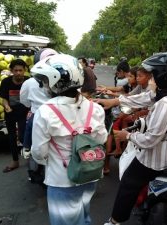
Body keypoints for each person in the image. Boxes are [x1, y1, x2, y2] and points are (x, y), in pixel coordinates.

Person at [103, 52, 167, 225]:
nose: (150, 80)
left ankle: (115, 221)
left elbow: (149, 140)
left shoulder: (166, 104)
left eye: (152, 76)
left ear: (163, 76)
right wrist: (116, 102)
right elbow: (146, 97)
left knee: (129, 181)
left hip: (166, 156)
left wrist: (126, 135)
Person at [31, 54, 108, 225]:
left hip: (62, 179)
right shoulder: (95, 108)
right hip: (90, 173)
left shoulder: (45, 112)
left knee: (65, 221)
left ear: (54, 81)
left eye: (44, 80)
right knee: (84, 214)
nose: (43, 85)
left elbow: (39, 152)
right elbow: (102, 138)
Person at [20, 48, 57, 158]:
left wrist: (32, 107)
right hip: (58, 115)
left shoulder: (29, 82)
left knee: (29, 127)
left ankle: (26, 147)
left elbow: (24, 100)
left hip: (37, 113)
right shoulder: (61, 79)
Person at [0, 59, 29, 173]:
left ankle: (30, 157)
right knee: (11, 137)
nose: (18, 73)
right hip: (10, 112)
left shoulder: (29, 81)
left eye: (20, 70)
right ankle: (15, 161)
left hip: (24, 112)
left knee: (22, 136)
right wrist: (7, 107)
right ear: (11, 71)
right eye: (15, 70)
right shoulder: (6, 82)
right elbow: (3, 97)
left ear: (24, 71)